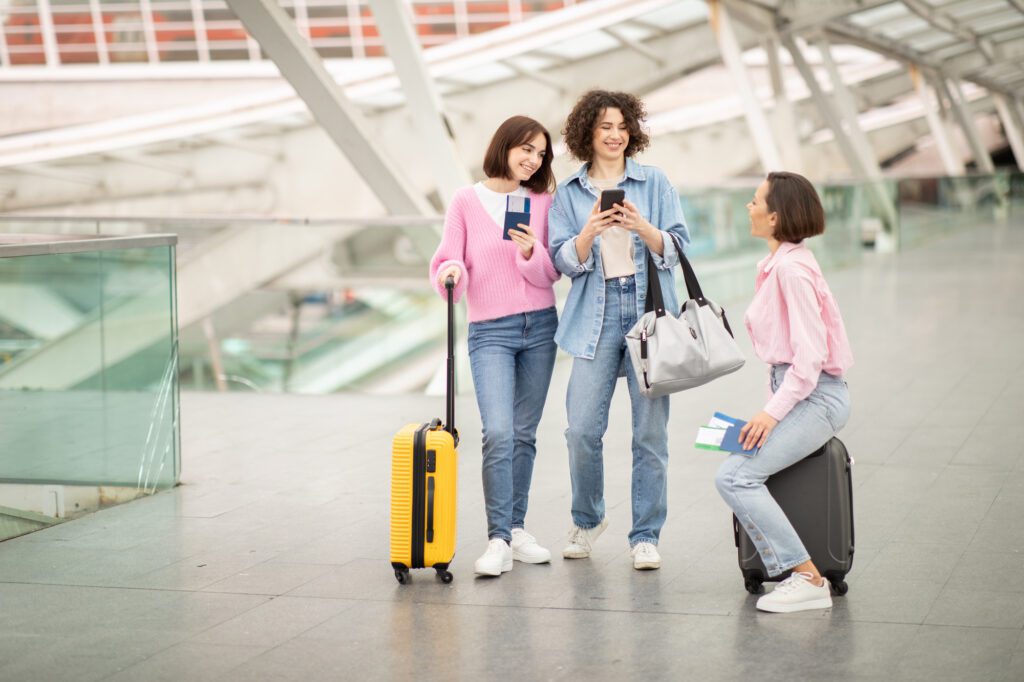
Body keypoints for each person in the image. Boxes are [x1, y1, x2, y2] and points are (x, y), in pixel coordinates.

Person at [548, 90, 690, 571]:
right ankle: (587, 520)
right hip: (596, 316)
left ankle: (646, 535)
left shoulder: (655, 181)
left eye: (622, 126)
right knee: (581, 430)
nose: (615, 135)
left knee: (650, 434)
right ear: (587, 132)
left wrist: (643, 228)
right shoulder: (567, 193)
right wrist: (588, 232)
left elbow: (677, 247)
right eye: (605, 126)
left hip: (648, 313)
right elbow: (563, 261)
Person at [714, 171, 854, 612]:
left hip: (818, 397)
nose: (748, 207)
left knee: (734, 476)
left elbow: (808, 359)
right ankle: (800, 572)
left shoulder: (791, 270)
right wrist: (770, 409)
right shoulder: (780, 264)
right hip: (800, 393)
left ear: (774, 217)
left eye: (755, 202)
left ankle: (806, 577)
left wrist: (771, 414)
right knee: (729, 448)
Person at [430, 115, 560, 577]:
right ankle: (498, 539)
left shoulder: (542, 201)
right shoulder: (466, 200)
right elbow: (449, 259)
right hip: (490, 332)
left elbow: (551, 272)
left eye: (541, 153)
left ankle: (517, 529)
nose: (533, 159)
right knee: (498, 433)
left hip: (541, 327)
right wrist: (451, 274)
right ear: (504, 146)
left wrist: (530, 254)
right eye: (527, 149)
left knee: (524, 434)